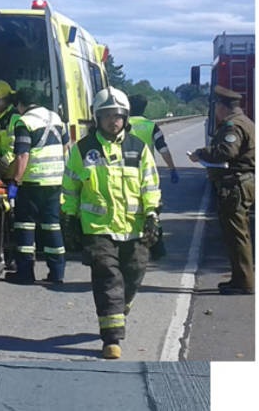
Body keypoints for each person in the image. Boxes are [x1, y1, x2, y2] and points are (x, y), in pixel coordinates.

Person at [61, 86, 161, 359]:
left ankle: (118, 310)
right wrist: (68, 218)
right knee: (108, 279)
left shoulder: (138, 149)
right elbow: (70, 186)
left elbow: (150, 184)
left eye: (118, 115)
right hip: (98, 229)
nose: (113, 120)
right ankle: (112, 339)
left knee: (134, 274)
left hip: (134, 228)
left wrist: (152, 214)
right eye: (107, 115)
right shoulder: (83, 149)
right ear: (97, 117)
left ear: (125, 117)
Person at [188, 85, 255, 295]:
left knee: (237, 235)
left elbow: (226, 152)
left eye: (217, 105)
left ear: (222, 106)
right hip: (241, 182)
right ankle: (239, 278)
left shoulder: (233, 126)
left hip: (236, 185)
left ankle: (244, 282)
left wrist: (201, 153)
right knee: (236, 234)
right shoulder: (243, 122)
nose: (215, 109)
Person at [5, 87, 69, 285]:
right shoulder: (56, 118)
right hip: (55, 181)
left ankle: (25, 274)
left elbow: (23, 155)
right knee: (52, 226)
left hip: (33, 183)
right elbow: (66, 146)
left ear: (20, 105)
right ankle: (57, 272)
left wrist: (15, 180)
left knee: (25, 226)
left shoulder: (24, 122)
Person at [128, 93, 179, 261]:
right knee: (152, 209)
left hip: (124, 173)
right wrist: (172, 169)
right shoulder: (151, 126)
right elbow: (162, 149)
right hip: (146, 174)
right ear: (144, 108)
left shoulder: (121, 124)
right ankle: (157, 248)